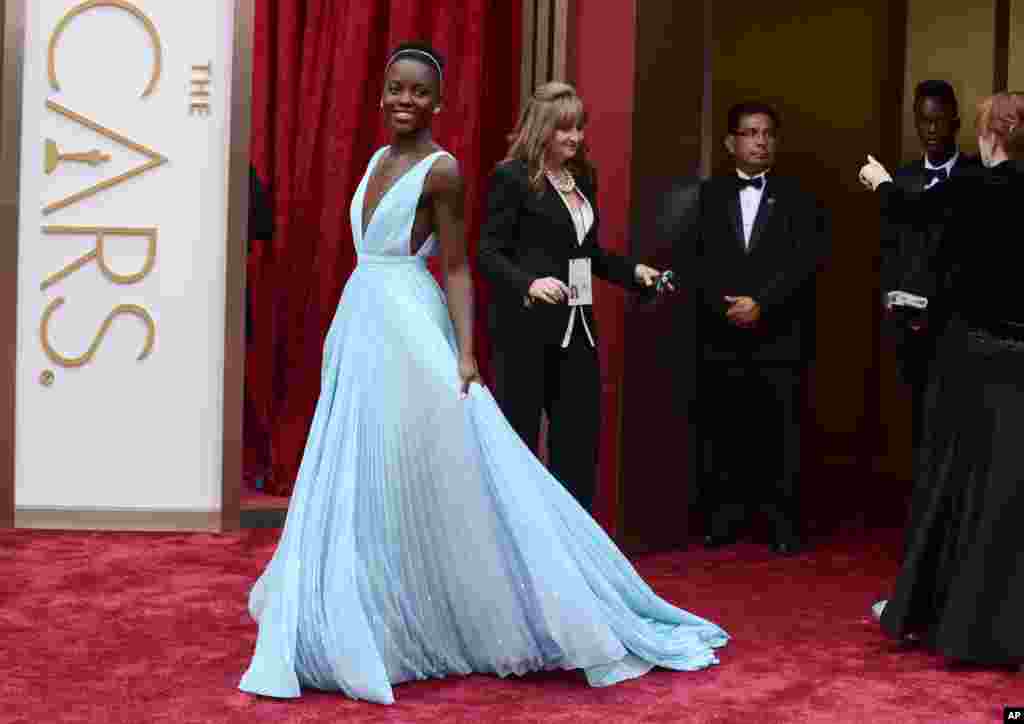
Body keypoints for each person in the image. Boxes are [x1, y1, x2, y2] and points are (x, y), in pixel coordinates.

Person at [238, 42, 728, 704]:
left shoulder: (445, 171)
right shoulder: (380, 160)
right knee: (363, 462)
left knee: (449, 458)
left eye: (418, 92)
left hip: (413, 324)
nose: (404, 100)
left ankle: (549, 593)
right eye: (395, 89)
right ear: (382, 95)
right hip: (361, 324)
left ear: (438, 103)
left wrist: (465, 353)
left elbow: (463, 265)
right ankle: (374, 608)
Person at [859, 91, 1024, 666]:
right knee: (1010, 500)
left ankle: (945, 617)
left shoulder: (975, 186)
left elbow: (915, 209)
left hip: (973, 366)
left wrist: (880, 180)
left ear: (991, 137)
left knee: (957, 493)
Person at [478, 81, 669, 512]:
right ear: (542, 128)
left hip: (578, 327)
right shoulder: (511, 178)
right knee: (520, 438)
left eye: (579, 128)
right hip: (526, 329)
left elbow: (588, 254)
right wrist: (528, 283)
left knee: (578, 445)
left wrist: (634, 274)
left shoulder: (583, 177)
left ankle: (573, 549)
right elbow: (487, 253)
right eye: (565, 129)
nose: (576, 138)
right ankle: (518, 538)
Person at [676, 102, 830, 556]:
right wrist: (728, 306)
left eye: (766, 133)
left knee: (781, 430)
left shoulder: (799, 196)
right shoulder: (708, 195)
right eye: (750, 133)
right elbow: (694, 259)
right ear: (731, 143)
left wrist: (762, 304)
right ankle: (723, 520)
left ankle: (783, 524)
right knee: (724, 428)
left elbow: (806, 261)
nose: (760, 141)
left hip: (779, 332)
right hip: (721, 333)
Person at [871, 80, 980, 622]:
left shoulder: (978, 176)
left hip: (963, 333)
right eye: (922, 122)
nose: (930, 130)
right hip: (910, 330)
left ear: (956, 121)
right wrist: (894, 298)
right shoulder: (907, 176)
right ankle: (918, 556)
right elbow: (893, 247)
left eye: (938, 121)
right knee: (920, 438)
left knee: (962, 440)